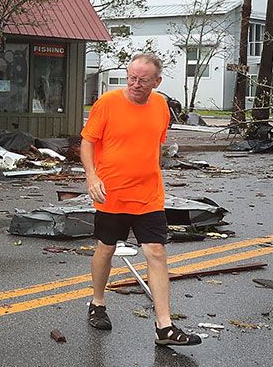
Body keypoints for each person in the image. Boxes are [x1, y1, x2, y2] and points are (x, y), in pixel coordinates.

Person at [81, 53, 200, 347]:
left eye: (142, 80)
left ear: (156, 82)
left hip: (148, 195)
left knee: (156, 252)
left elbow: (154, 145)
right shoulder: (107, 104)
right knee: (106, 249)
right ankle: (97, 302)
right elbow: (87, 142)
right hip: (112, 194)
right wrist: (92, 178)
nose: (135, 84)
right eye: (131, 78)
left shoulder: (161, 107)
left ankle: (165, 327)